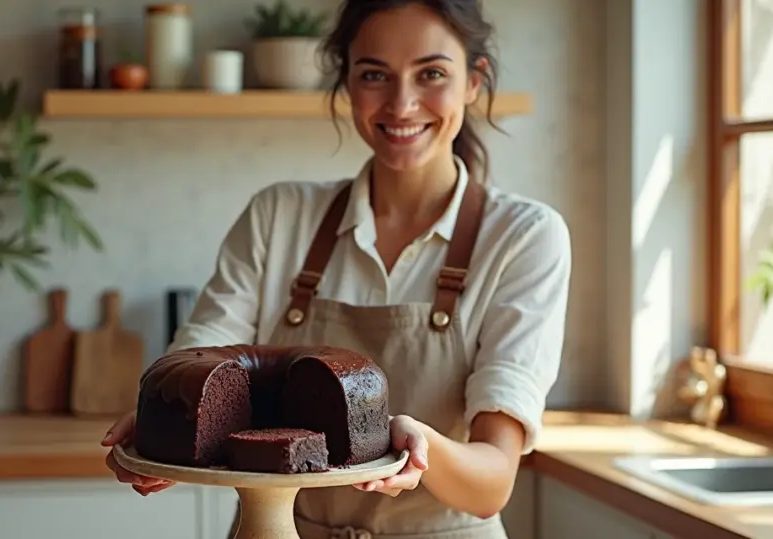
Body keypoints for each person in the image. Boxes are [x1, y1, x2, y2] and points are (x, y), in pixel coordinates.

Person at [101, 0, 572, 536]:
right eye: (374, 74)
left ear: (474, 80)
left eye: (432, 74)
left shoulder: (523, 237)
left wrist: (412, 445)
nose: (402, 103)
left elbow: (491, 485)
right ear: (346, 81)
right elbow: (199, 360)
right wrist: (164, 429)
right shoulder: (279, 216)